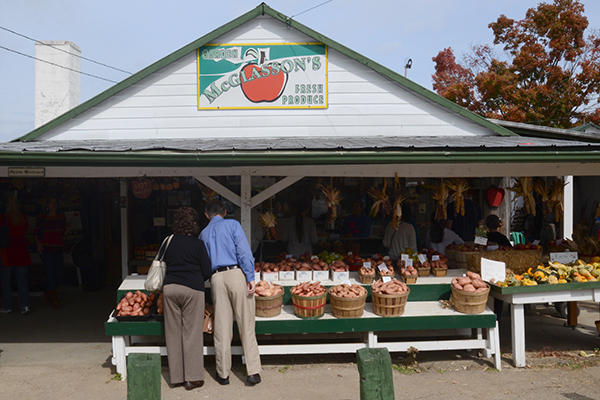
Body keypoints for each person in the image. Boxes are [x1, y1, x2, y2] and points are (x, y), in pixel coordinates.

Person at [199, 199, 261, 386]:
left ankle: (223, 373)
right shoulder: (233, 224)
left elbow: (204, 262)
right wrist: (250, 276)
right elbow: (244, 252)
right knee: (246, 323)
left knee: (222, 326)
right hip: (236, 274)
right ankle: (252, 372)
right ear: (224, 212)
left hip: (216, 278)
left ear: (206, 214)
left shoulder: (203, 233)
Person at [162, 206, 213, 390]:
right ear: (193, 224)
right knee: (191, 333)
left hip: (170, 288)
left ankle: (175, 377)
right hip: (192, 289)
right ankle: (192, 378)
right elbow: (207, 271)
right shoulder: (198, 245)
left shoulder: (168, 241)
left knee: (173, 332)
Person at [34, 196, 69, 309]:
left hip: (58, 248)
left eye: (55, 202)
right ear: (47, 205)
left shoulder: (60, 217)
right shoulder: (42, 217)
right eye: (51, 202)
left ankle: (49, 292)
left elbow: (64, 233)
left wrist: (68, 227)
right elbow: (36, 231)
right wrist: (38, 244)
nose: (53, 205)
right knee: (50, 273)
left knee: (59, 273)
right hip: (46, 249)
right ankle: (54, 299)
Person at [0, 195, 32, 314]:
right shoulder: (23, 217)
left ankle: (8, 306)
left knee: (6, 281)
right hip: (21, 252)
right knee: (22, 281)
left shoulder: (3, 218)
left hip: (7, 252)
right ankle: (25, 306)